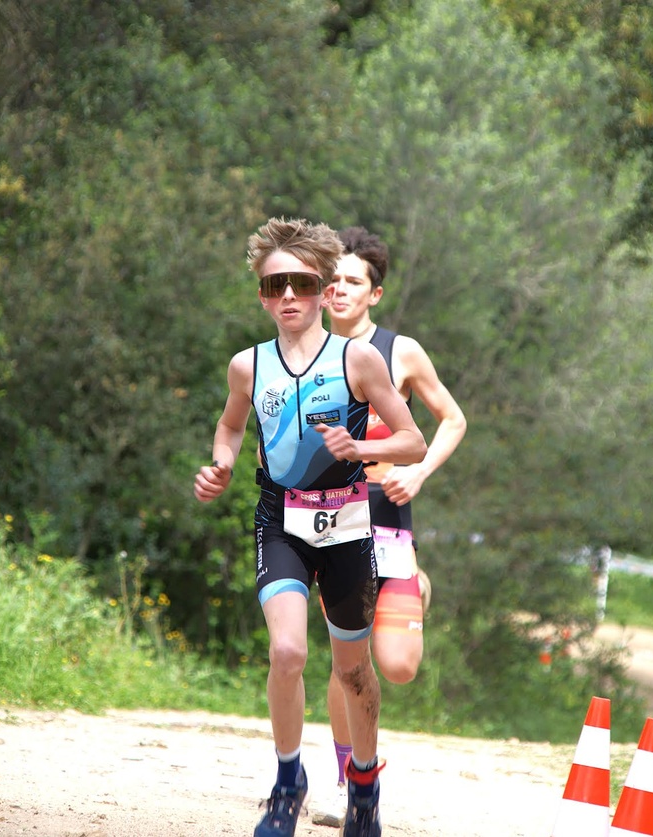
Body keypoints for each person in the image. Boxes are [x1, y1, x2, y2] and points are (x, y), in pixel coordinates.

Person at [193, 217, 427, 837]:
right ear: (262, 295)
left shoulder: (356, 359)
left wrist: (358, 448)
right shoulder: (248, 365)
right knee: (289, 651)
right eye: (275, 286)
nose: (287, 296)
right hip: (282, 519)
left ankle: (366, 788)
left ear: (324, 289)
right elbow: (231, 426)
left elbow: (413, 440)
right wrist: (221, 464)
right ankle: (287, 780)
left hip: (350, 525)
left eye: (300, 283)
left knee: (353, 671)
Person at [310, 226, 467, 827]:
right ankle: (350, 782)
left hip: (389, 519)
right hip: (329, 520)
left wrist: (420, 472)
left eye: (353, 280)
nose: (340, 289)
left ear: (374, 293)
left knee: (397, 665)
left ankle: (415, 585)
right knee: (346, 662)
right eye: (333, 280)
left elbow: (451, 419)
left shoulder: (401, 351)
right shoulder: (305, 353)